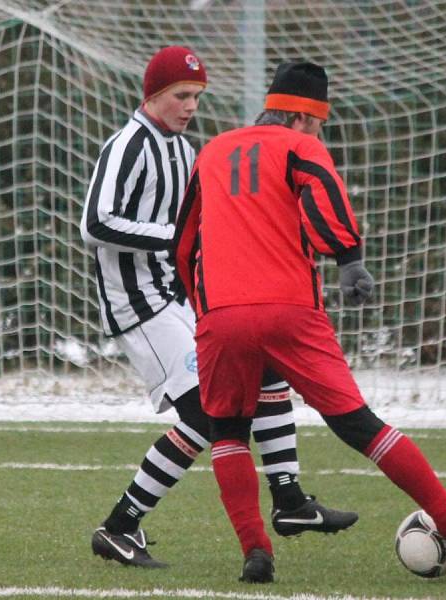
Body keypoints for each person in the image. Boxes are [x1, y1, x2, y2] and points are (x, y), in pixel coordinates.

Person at [174, 61, 446, 584]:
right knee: (359, 425)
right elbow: (321, 194)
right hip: (289, 309)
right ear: (305, 117)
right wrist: (349, 257)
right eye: (320, 124)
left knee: (228, 429)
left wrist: (206, 309)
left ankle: (256, 552)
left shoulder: (211, 151)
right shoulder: (300, 146)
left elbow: (183, 242)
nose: (319, 133)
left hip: (222, 316)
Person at [81, 47, 357, 569]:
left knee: (267, 375)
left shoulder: (186, 151)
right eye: (181, 95)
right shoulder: (127, 145)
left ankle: (290, 499)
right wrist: (171, 238)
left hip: (180, 297)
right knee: (207, 414)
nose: (190, 106)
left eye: (197, 97)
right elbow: (95, 224)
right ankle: (119, 527)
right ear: (153, 94)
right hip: (139, 304)